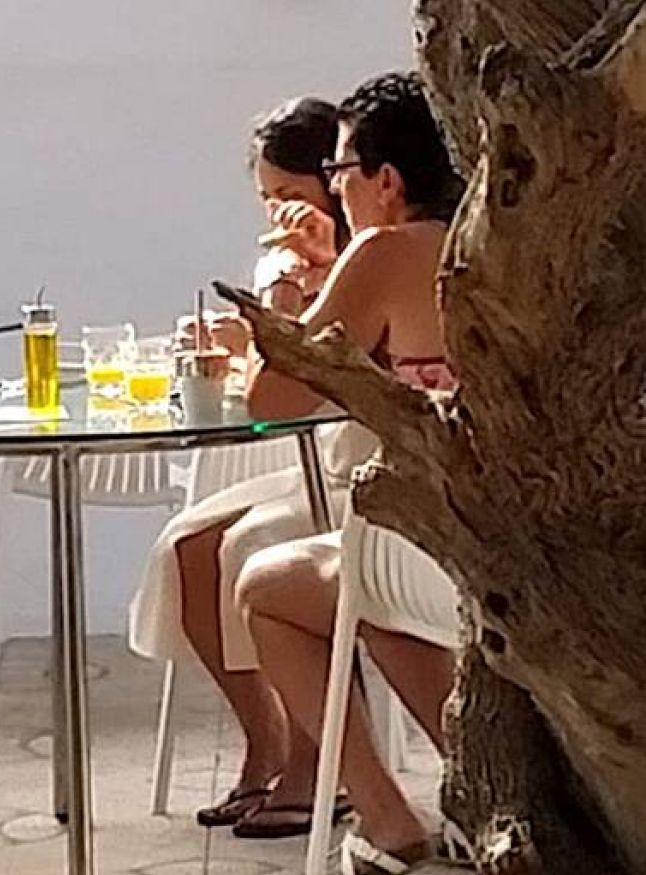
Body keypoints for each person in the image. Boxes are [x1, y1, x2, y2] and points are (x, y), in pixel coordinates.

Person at [236, 71, 464, 874]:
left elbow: (271, 399)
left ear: (387, 179)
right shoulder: (500, 243)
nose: (337, 189)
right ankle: (476, 784)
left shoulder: (388, 252)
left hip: (436, 552)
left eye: (339, 171)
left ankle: (389, 816)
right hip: (533, 542)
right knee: (364, 594)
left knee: (269, 586)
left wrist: (286, 286)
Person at [131, 95, 362, 838]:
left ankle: (317, 762)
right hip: (313, 459)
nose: (277, 212)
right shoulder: (312, 261)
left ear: (334, 182)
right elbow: (279, 369)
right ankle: (266, 737)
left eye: (290, 193)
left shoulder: (365, 257)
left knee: (247, 547)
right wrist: (241, 338)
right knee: (188, 548)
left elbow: (299, 372)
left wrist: (284, 289)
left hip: (364, 469)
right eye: (266, 198)